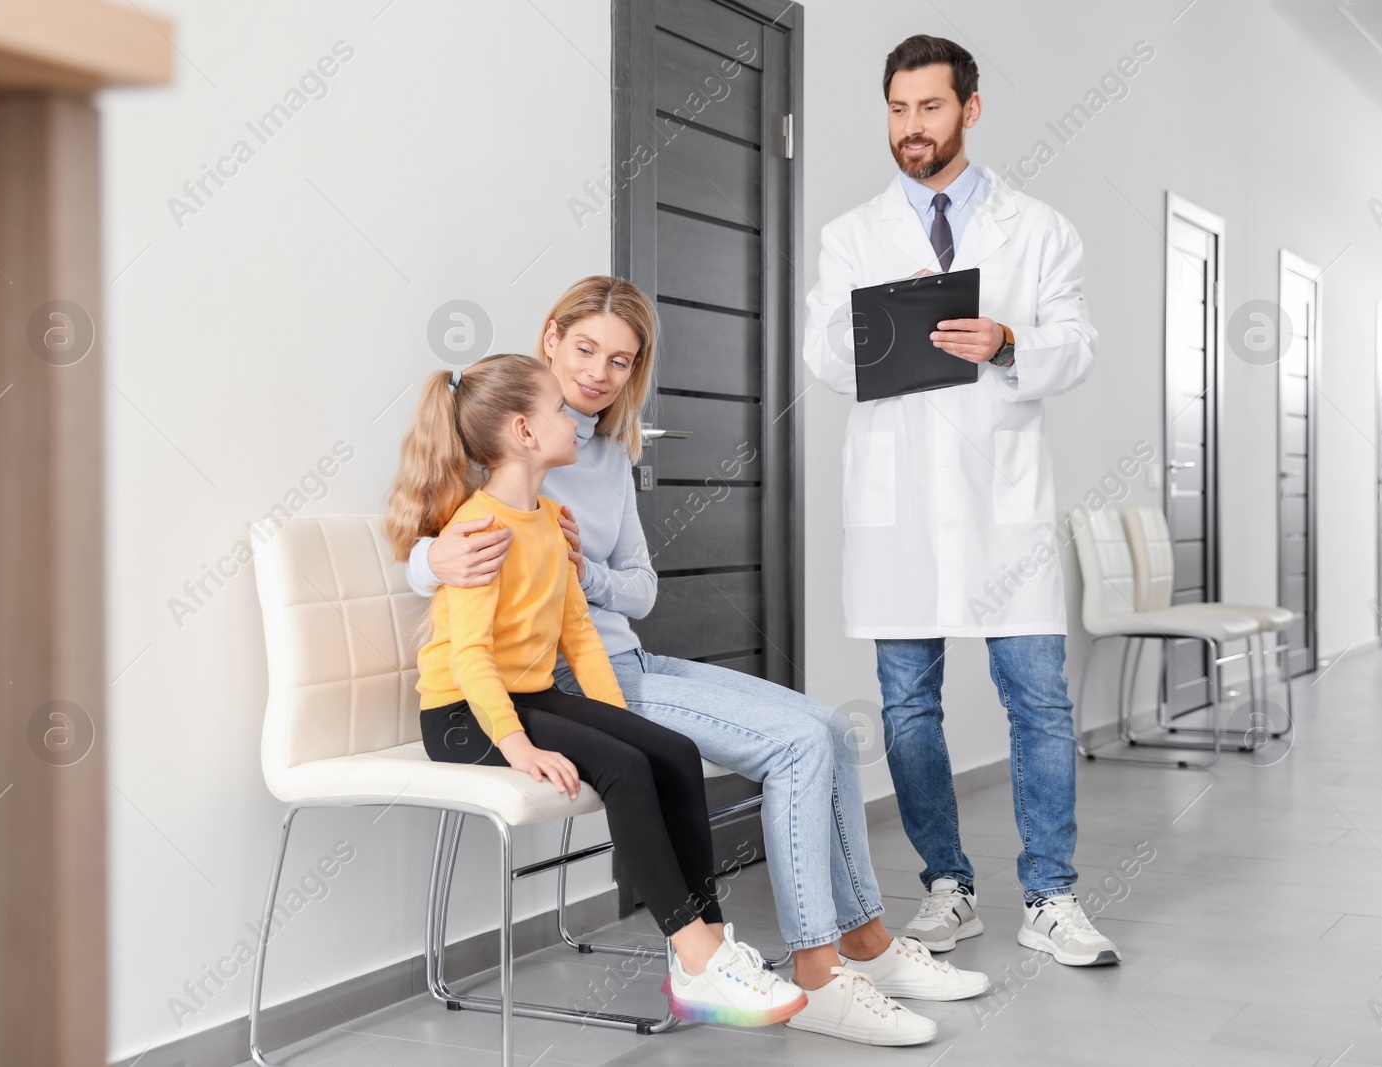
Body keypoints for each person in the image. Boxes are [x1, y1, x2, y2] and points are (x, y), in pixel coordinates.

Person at [405, 277, 991, 1047]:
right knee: (796, 744)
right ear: (550, 340)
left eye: (621, 361)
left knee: (823, 724)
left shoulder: (605, 454)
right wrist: (434, 556)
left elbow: (637, 590)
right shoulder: (501, 425)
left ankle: (866, 945)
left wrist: (586, 569)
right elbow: (436, 556)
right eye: (585, 350)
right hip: (558, 687)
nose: (598, 373)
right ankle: (814, 975)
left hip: (624, 658)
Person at [801, 35, 1118, 968]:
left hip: (1003, 497)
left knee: (1040, 702)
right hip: (898, 501)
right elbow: (822, 352)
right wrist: (880, 333)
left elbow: (1079, 341)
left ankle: (1052, 895)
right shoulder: (851, 236)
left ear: (969, 110)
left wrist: (1010, 342)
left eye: (929, 109)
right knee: (906, 707)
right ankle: (948, 886)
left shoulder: (1042, 228)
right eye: (898, 110)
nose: (911, 129)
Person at [386, 352, 807, 1027]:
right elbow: (467, 657)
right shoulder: (480, 530)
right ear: (524, 432)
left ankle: (709, 944)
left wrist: (616, 718)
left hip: (527, 695)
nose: (574, 420)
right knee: (626, 769)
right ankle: (694, 949)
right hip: (465, 713)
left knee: (667, 750)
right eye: (559, 408)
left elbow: (579, 630)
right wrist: (516, 745)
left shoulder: (549, 518)